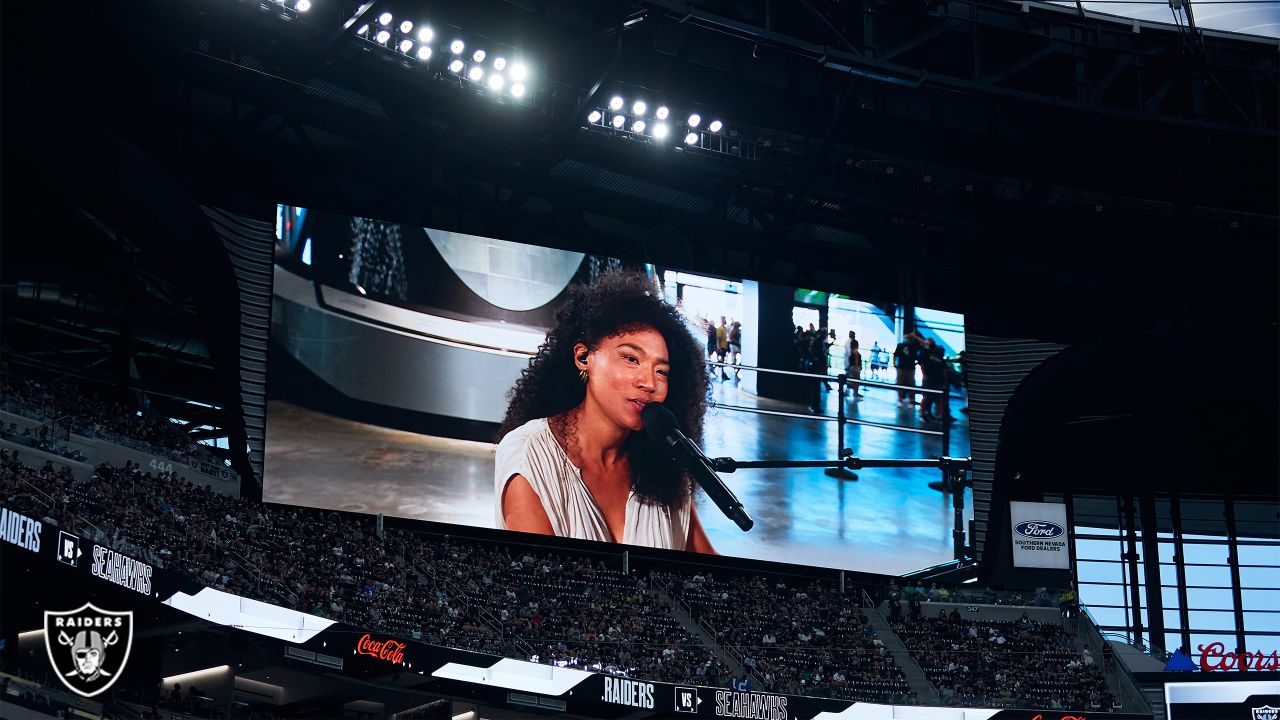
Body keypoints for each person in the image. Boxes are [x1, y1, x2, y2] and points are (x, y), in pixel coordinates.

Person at [495, 271, 716, 553]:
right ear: (583, 357)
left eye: (662, 372)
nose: (649, 383)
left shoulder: (665, 465)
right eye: (631, 358)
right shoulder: (529, 456)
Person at [894, 334, 919, 404]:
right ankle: (900, 398)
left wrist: (915, 336)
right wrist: (894, 364)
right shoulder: (900, 345)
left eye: (907, 338)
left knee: (911, 384)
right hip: (901, 367)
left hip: (910, 368)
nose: (905, 339)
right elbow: (895, 355)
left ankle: (911, 399)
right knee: (900, 383)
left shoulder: (913, 346)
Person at [843, 331, 863, 398]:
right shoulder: (855, 353)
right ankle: (855, 392)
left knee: (850, 379)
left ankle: (848, 391)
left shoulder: (848, 344)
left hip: (850, 365)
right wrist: (857, 367)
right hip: (854, 366)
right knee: (855, 379)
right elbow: (856, 359)